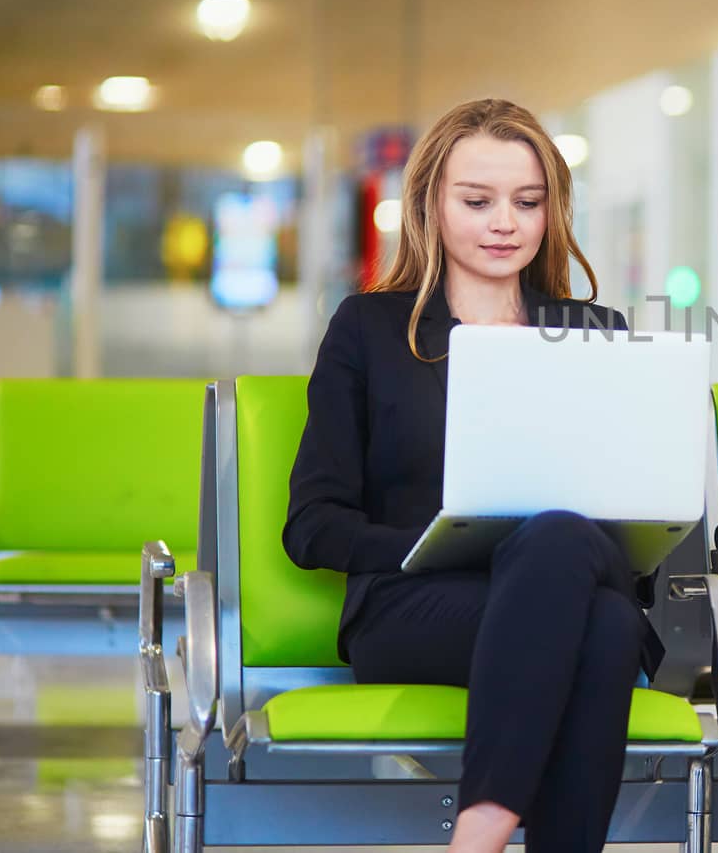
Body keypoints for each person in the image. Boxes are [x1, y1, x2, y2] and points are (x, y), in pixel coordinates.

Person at [283, 98, 660, 852]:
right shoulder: (369, 329)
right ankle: (484, 831)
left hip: (571, 584)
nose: (505, 222)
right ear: (431, 204)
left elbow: (633, 515)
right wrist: (439, 547)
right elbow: (311, 525)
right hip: (413, 609)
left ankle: (481, 827)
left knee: (572, 562)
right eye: (477, 200)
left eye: (528, 202)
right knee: (603, 621)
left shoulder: (595, 334)